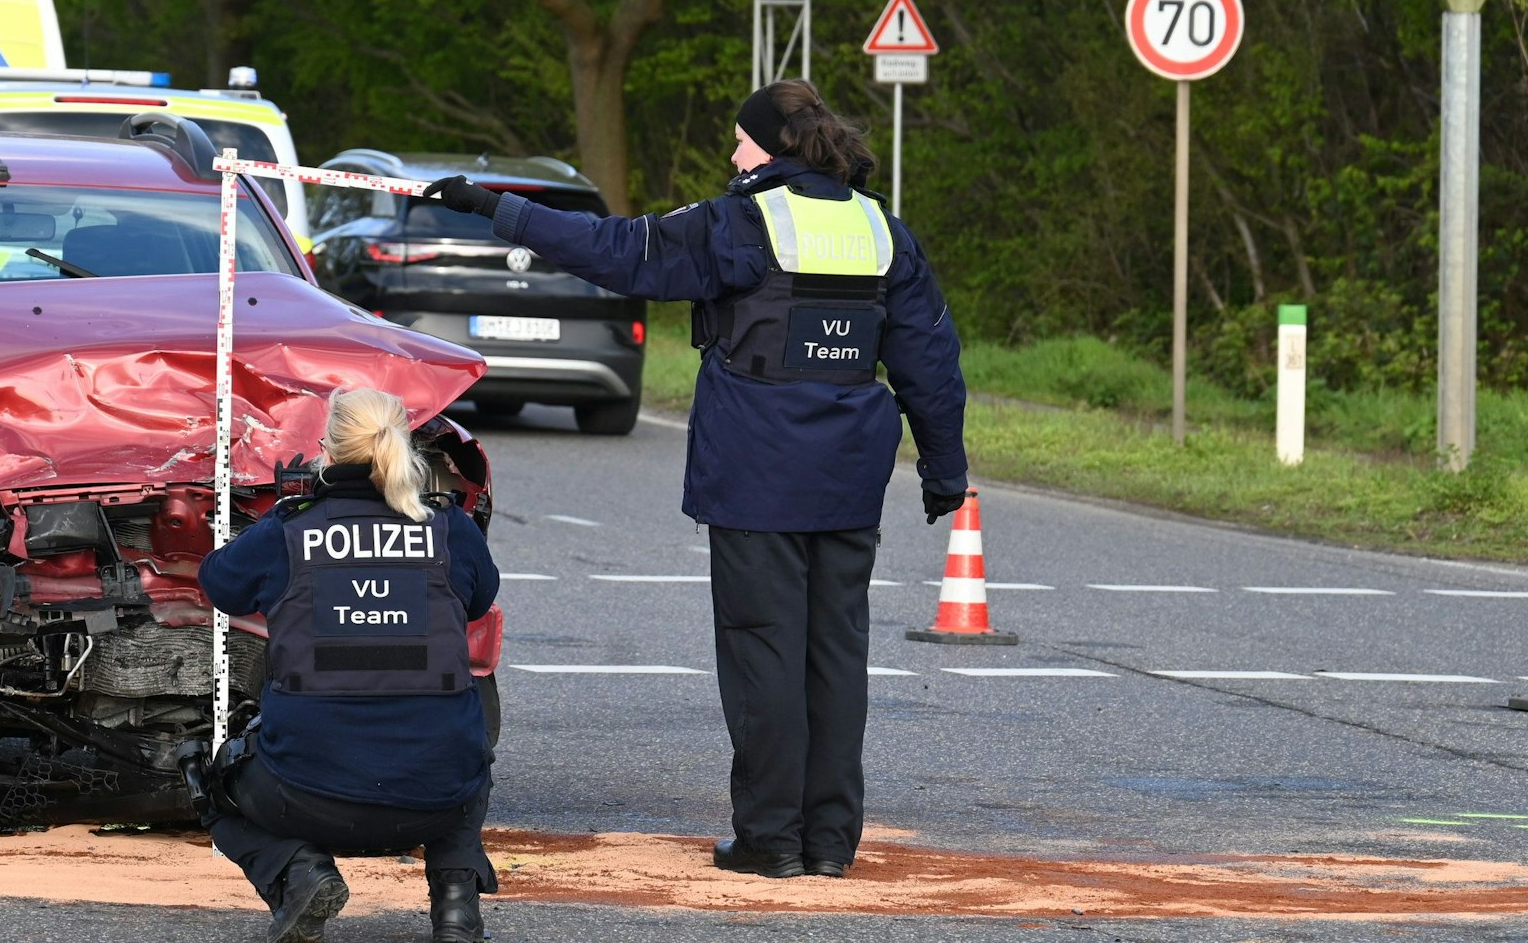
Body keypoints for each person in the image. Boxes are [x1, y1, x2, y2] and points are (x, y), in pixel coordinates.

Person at [423, 78, 967, 881]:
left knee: (764, 651)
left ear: (770, 147)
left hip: (756, 473)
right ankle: (829, 841)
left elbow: (618, 250)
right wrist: (944, 466)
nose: (733, 155)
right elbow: (930, 357)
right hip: (849, 477)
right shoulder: (881, 229)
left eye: (741, 141)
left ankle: (770, 838)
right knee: (835, 654)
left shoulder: (741, 222)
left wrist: (496, 208)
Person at [198, 388, 501, 943]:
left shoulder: (289, 529)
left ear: (328, 450)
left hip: (304, 793)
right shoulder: (448, 528)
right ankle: (457, 907)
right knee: (464, 741)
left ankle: (299, 872)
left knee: (209, 780)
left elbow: (219, 584)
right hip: (436, 797)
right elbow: (479, 600)